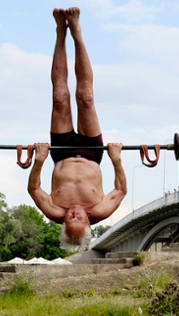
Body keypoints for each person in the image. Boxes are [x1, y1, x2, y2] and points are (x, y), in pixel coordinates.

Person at [28, 7, 127, 250]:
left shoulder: (53, 211)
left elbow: (33, 188)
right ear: (88, 223)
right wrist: (116, 160)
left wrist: (39, 161)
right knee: (85, 97)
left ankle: (61, 31)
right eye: (79, 218)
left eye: (70, 218)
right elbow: (121, 190)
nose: (74, 213)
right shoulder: (100, 210)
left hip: (61, 152)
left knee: (60, 96)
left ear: (62, 224)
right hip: (92, 152)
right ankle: (77, 32)